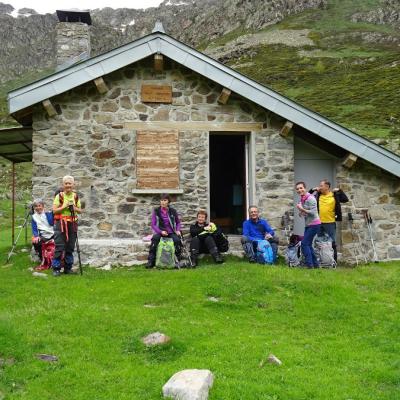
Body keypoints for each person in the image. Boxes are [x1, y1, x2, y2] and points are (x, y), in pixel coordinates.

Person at [309, 179, 349, 262]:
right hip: (318, 222)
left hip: (330, 222)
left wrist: (340, 190)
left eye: (321, 186)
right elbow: (307, 197)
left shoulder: (334, 195)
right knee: (318, 242)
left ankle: (333, 261)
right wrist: (313, 189)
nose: (319, 187)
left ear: (327, 187)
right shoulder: (318, 195)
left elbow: (345, 199)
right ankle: (320, 260)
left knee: (332, 242)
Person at [51, 175, 82, 276]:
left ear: (73, 185)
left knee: (70, 246)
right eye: (66, 183)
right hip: (61, 223)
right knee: (59, 246)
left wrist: (73, 207)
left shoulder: (76, 196)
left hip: (72, 223)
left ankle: (68, 268)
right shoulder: (59, 196)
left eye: (70, 183)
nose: (68, 185)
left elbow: (80, 210)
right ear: (63, 184)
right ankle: (56, 268)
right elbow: (54, 211)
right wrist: (64, 206)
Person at [146, 194, 182, 268]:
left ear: (168, 202)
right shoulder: (156, 211)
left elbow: (178, 222)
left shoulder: (173, 211)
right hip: (161, 232)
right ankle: (151, 261)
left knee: (177, 241)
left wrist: (178, 230)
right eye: (161, 200)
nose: (163, 202)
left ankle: (177, 261)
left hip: (171, 232)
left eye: (165, 200)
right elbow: (153, 225)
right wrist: (160, 232)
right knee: (155, 239)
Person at [295, 181, 321, 268]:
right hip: (309, 224)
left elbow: (313, 213)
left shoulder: (310, 198)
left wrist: (302, 209)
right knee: (308, 244)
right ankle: (315, 265)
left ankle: (309, 265)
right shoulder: (303, 198)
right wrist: (301, 212)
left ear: (305, 188)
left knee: (304, 244)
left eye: (301, 188)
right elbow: (306, 212)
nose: (299, 190)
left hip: (314, 224)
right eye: (297, 189)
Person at [31, 198, 55, 271]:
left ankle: (54, 261)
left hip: (52, 233)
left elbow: (51, 223)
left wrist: (50, 214)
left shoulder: (48, 213)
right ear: (34, 208)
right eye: (36, 206)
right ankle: (43, 260)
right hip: (43, 235)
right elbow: (34, 228)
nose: (38, 208)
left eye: (39, 205)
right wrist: (36, 236)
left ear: (43, 206)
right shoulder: (34, 217)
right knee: (36, 242)